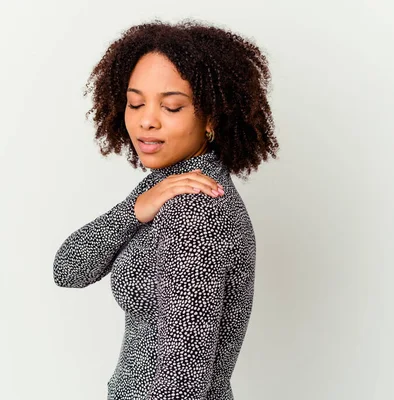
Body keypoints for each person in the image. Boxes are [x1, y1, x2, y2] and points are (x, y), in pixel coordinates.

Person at [53, 19, 279, 400]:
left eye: (172, 106)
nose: (146, 120)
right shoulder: (164, 188)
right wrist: (133, 210)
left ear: (210, 118)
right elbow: (68, 270)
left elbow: (184, 375)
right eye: (135, 102)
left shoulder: (195, 209)